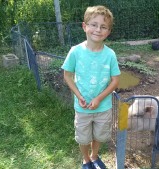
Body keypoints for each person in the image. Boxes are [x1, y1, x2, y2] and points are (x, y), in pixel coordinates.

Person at [61, 5, 120, 169]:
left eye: (103, 27)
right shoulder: (75, 52)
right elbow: (67, 75)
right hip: (83, 108)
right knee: (83, 138)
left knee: (100, 136)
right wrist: (79, 96)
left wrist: (99, 98)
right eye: (94, 24)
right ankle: (86, 159)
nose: (98, 30)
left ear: (108, 32)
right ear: (84, 26)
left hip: (104, 107)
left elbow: (115, 81)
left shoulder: (110, 55)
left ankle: (94, 156)